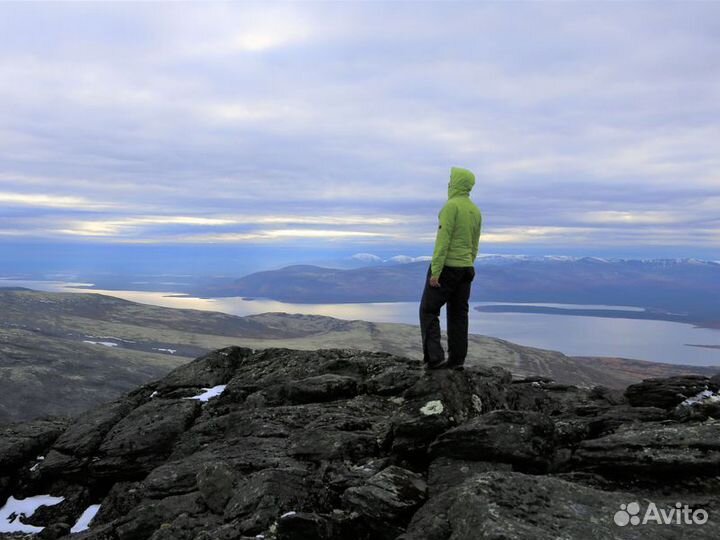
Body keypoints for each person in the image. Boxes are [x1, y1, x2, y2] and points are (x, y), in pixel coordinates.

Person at [419, 166, 482, 370]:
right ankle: (456, 360)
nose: (448, 184)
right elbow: (475, 243)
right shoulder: (475, 210)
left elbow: (442, 241)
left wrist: (436, 271)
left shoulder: (450, 207)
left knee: (428, 310)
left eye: (450, 180)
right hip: (466, 268)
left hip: (447, 268)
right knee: (458, 314)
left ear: (455, 184)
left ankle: (434, 358)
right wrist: (468, 263)